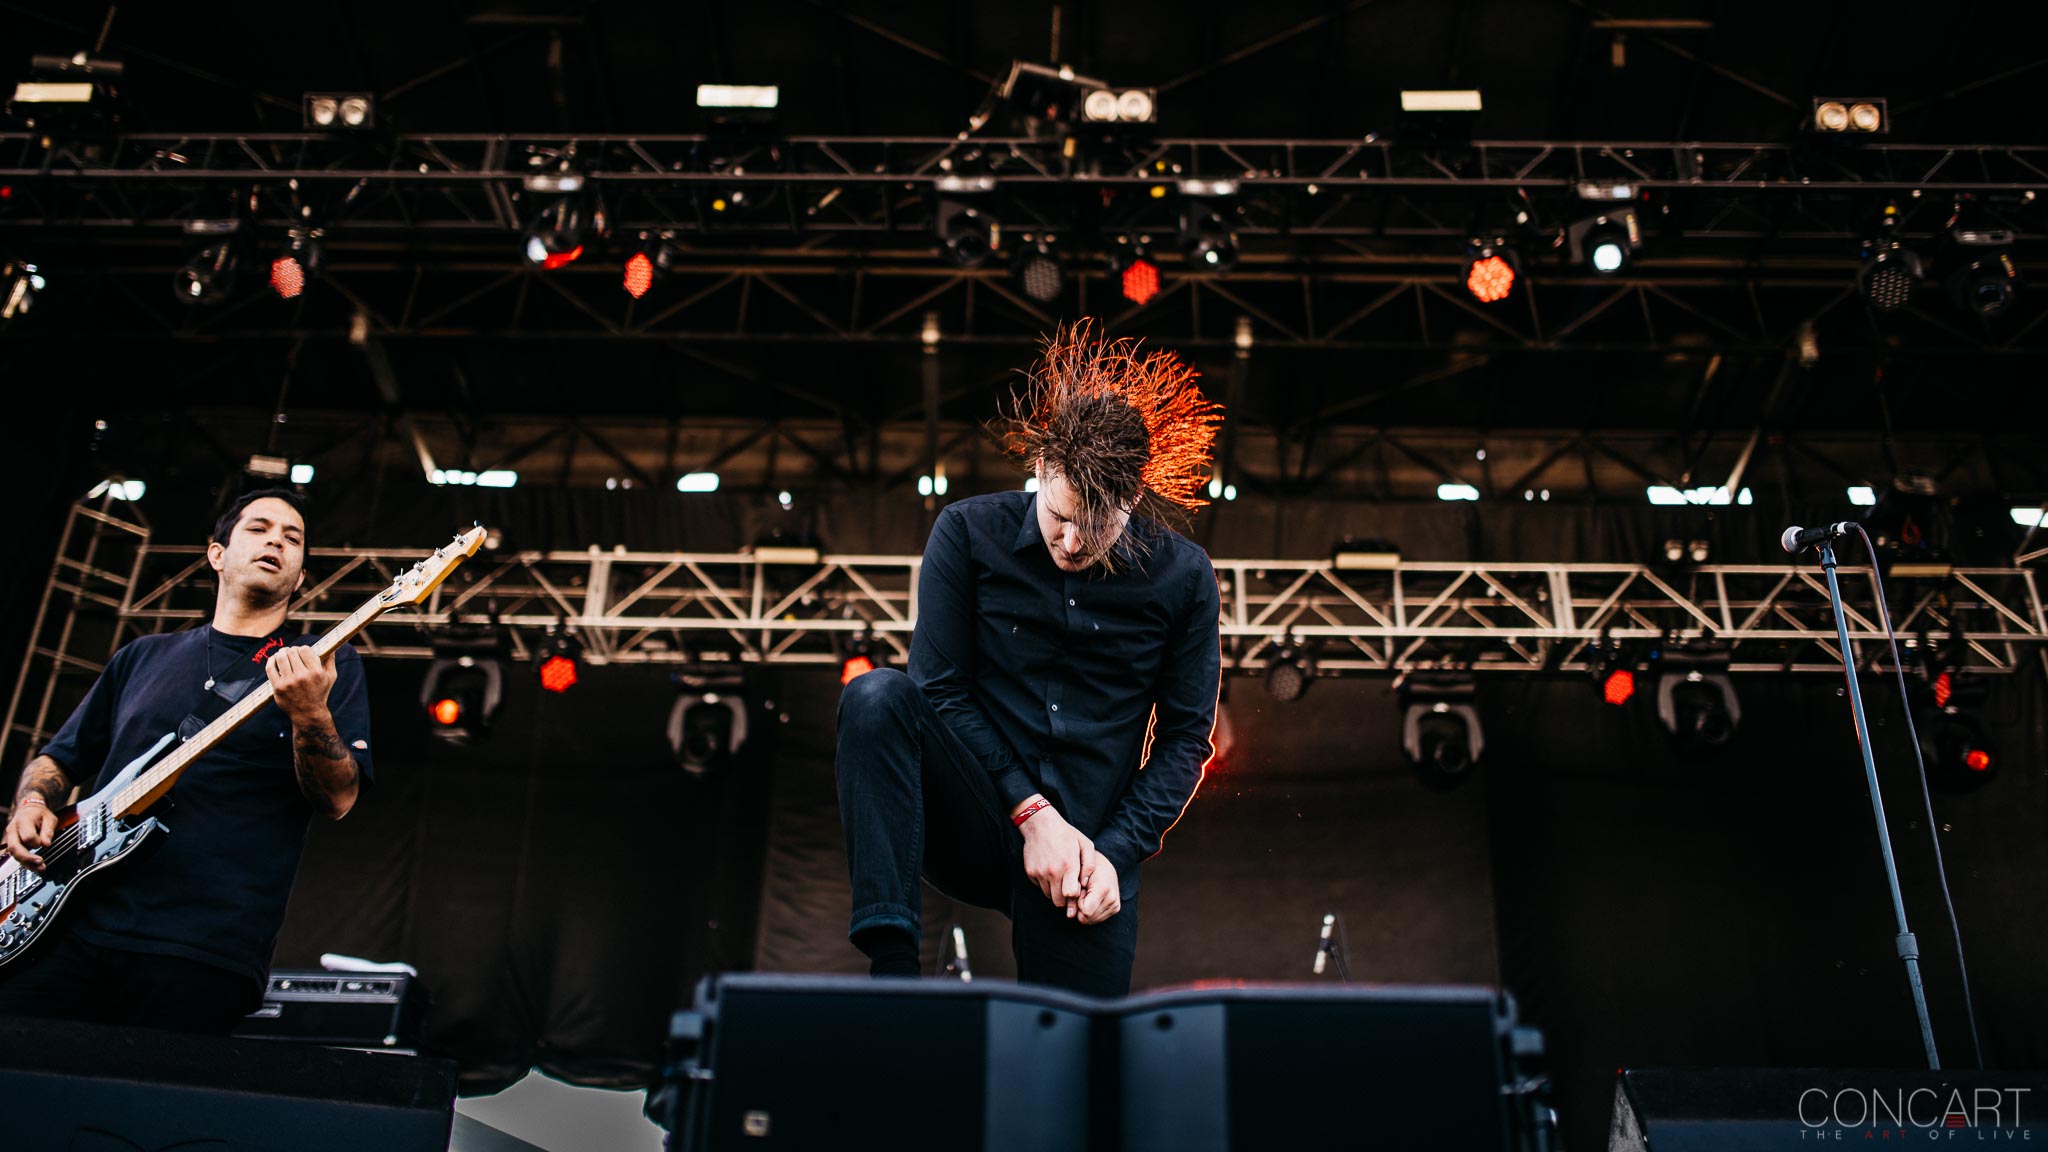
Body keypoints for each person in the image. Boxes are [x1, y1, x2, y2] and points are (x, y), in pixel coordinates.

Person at [836, 323, 1224, 997]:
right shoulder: (966, 530)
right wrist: (1030, 813)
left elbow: (1188, 740)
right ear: (1041, 470)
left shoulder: (1185, 578)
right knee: (877, 698)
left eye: (1095, 525)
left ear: (1131, 499)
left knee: (1078, 1066)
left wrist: (1115, 854)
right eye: (1060, 516)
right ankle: (890, 982)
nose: (1072, 543)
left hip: (1087, 856)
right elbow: (941, 689)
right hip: (981, 814)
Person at [0, 488, 371, 1033]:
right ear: (216, 554)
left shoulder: (319, 664)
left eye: (292, 539)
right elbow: (59, 758)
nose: (276, 541)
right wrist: (32, 802)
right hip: (67, 925)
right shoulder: (143, 656)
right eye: (259, 528)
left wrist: (310, 713)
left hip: (199, 951)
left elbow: (339, 798)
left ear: (299, 578)